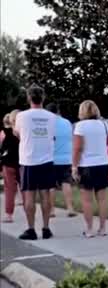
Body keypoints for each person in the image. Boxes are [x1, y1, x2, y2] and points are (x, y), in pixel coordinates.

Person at [14, 85, 56, 240]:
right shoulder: (51, 117)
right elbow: (53, 135)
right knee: (45, 194)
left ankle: (31, 229)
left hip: (28, 160)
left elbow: (18, 133)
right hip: (46, 159)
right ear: (43, 98)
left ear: (29, 98)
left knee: (29, 196)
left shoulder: (21, 116)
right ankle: (46, 228)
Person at [72, 100, 108, 237]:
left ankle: (89, 229)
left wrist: (74, 167)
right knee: (102, 199)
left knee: (87, 200)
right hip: (102, 163)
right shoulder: (104, 125)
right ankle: (103, 228)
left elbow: (78, 148)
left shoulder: (80, 126)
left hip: (86, 165)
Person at [46, 103, 77, 218]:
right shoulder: (67, 122)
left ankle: (52, 211)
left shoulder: (47, 124)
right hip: (66, 158)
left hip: (51, 158)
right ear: (58, 110)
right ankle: (70, 208)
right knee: (66, 183)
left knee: (51, 185)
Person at [0, 111, 21, 222]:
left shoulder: (4, 133)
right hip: (21, 162)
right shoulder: (21, 132)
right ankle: (29, 213)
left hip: (8, 163)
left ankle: (9, 215)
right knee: (26, 189)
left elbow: (2, 148)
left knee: (9, 189)